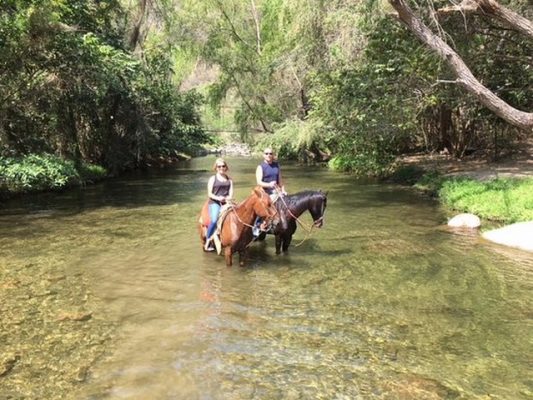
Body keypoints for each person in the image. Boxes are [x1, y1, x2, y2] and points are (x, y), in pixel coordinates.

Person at [253, 147, 287, 236]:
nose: (268, 155)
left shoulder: (276, 165)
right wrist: (269, 184)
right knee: (263, 206)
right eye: (266, 153)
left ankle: (284, 224)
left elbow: (280, 180)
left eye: (270, 153)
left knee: (286, 203)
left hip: (276, 191)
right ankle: (256, 226)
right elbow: (259, 182)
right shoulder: (261, 167)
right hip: (264, 191)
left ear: (273, 155)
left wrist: (283, 190)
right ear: (263, 155)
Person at [205, 158, 233, 251]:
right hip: (215, 202)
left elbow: (231, 193)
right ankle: (208, 240)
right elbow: (209, 194)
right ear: (216, 168)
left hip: (227, 202)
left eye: (223, 166)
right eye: (219, 166)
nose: (221, 168)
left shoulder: (230, 180)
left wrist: (228, 198)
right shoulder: (213, 179)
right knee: (214, 220)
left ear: (226, 167)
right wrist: (218, 198)